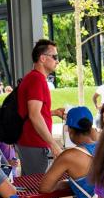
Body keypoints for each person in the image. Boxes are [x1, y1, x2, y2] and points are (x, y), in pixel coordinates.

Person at [16, 39, 66, 173]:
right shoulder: (37, 79)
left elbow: (32, 112)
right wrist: (53, 144)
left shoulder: (33, 78)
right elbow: (34, 115)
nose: (57, 61)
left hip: (30, 143)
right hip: (34, 143)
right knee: (39, 188)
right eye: (54, 57)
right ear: (43, 58)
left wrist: (54, 112)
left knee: (30, 186)